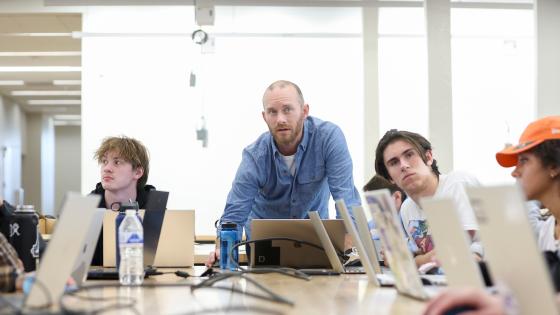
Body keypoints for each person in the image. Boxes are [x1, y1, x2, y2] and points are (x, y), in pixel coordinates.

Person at [206, 80, 361, 267]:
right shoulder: (255, 156)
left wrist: (351, 248)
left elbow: (345, 200)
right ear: (265, 117)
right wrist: (221, 250)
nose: (280, 119)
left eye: (287, 109)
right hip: (265, 248)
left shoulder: (328, 139)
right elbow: (234, 214)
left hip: (316, 242)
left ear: (304, 111)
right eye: (272, 112)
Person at [423, 116, 560, 315]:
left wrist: (511, 307)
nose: (515, 172)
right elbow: (537, 274)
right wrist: (465, 268)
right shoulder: (549, 227)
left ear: (555, 166)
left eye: (524, 161)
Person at [374, 129, 482, 267]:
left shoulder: (457, 183)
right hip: (438, 283)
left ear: (429, 157)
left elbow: (457, 251)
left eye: (409, 155)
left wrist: (407, 262)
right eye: (394, 162)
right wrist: (401, 254)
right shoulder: (407, 209)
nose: (403, 165)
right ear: (390, 178)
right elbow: (428, 253)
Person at [90, 136, 155, 266]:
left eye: (117, 162)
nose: (106, 168)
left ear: (137, 172)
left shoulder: (154, 208)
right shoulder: (86, 208)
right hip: (92, 282)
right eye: (104, 161)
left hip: (141, 279)